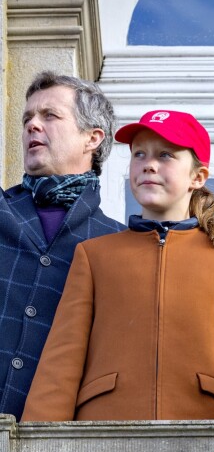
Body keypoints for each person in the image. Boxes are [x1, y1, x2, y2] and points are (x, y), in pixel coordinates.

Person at [21, 110, 214, 421]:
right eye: (139, 154)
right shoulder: (94, 255)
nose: (148, 164)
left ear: (198, 176)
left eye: (165, 155)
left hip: (204, 433)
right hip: (102, 431)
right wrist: (40, 450)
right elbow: (62, 359)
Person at [0, 71, 125, 420]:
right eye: (27, 118)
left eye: (49, 116)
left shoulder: (118, 244)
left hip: (61, 450)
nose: (32, 126)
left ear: (92, 138)